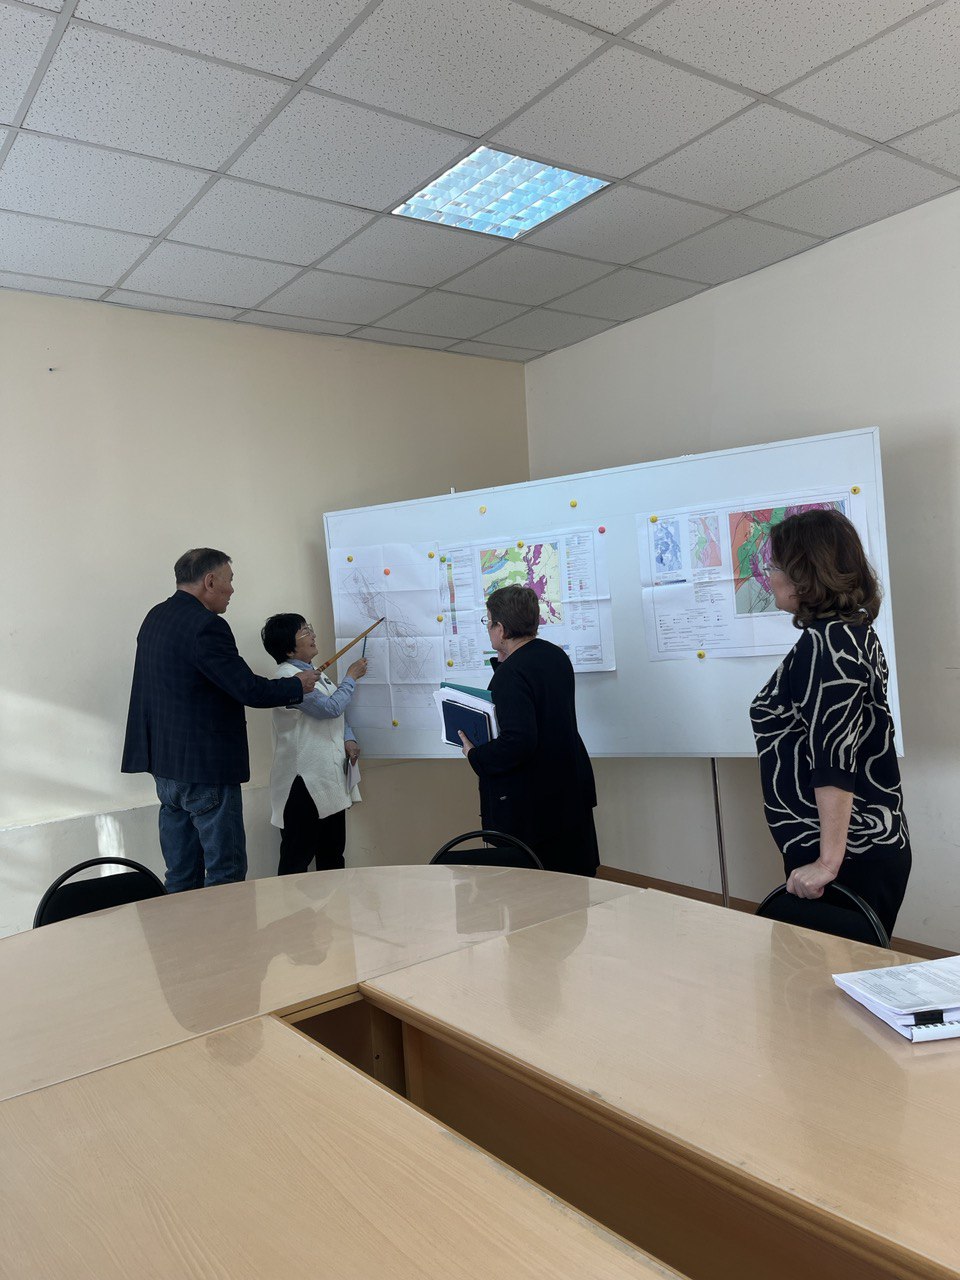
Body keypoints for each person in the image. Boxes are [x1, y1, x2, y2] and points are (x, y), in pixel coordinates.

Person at [750, 509, 911, 937]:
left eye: (775, 566)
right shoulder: (853, 630)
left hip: (847, 858)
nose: (769, 576)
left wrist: (827, 862)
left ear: (805, 574)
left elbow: (833, 759)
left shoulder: (827, 644)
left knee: (827, 975)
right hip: (864, 845)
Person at [122, 549, 318, 893]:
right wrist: (295, 686)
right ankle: (224, 932)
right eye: (229, 581)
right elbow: (246, 688)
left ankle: (181, 931)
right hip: (205, 769)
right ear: (210, 581)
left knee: (181, 874)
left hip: (165, 766)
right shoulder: (207, 626)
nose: (232, 590)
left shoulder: (155, 616)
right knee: (225, 876)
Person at [458, 584, 599, 876]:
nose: (488, 628)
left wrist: (475, 754)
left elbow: (518, 741)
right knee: (571, 880)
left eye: (488, 622)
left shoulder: (512, 673)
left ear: (501, 628)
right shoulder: (554, 656)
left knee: (535, 886)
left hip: (535, 802)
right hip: (568, 787)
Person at [261, 614, 367, 875]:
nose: (313, 635)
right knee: (297, 859)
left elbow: (337, 710)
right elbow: (329, 708)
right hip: (302, 782)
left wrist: (348, 737)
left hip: (327, 778)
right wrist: (351, 677)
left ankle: (336, 902)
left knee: (332, 855)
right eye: (305, 631)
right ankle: (291, 904)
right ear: (289, 648)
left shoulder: (313, 672)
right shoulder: (289, 678)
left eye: (309, 628)